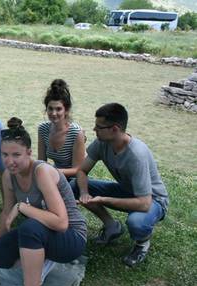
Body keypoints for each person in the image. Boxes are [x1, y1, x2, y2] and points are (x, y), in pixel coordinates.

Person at [0, 117, 86, 286]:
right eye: (4, 154)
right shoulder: (9, 176)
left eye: (16, 154)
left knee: (29, 228)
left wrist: (23, 207)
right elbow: (6, 211)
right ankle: (40, 259)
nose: (9, 161)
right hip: (44, 232)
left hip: (71, 237)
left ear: (29, 153)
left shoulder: (41, 172)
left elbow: (61, 223)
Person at [72, 103, 168, 267]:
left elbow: (144, 204)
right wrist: (84, 192)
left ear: (115, 129)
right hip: (128, 191)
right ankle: (112, 227)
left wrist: (103, 200)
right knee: (74, 185)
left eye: (99, 127)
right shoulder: (102, 143)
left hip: (153, 200)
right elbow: (81, 171)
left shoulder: (136, 154)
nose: (94, 129)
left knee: (136, 222)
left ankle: (142, 244)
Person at [38, 79, 85, 180]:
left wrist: (51, 171)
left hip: (75, 180)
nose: (53, 113)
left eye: (58, 109)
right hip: (55, 176)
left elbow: (78, 170)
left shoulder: (76, 133)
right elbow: (41, 162)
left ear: (66, 110)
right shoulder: (43, 129)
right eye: (50, 108)